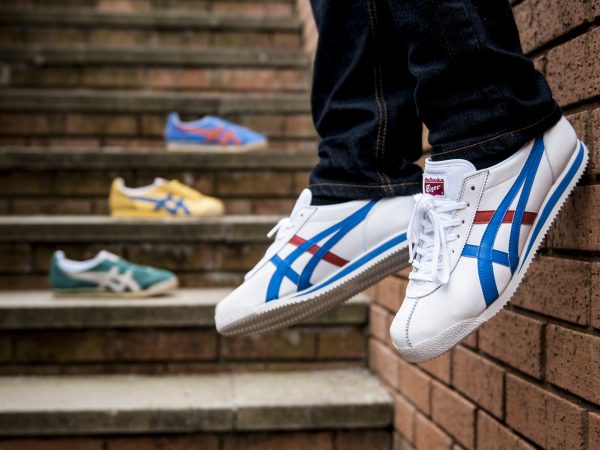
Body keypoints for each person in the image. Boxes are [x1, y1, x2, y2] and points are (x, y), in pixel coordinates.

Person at [214, 0, 588, 362]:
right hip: (359, 164)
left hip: (500, 126)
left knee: (478, 124)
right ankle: (355, 182)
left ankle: (496, 136)